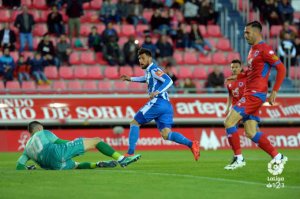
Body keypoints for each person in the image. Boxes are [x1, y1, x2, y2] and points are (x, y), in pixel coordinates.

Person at [225, 21, 288, 171]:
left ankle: (239, 158)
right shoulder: (253, 50)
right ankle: (278, 157)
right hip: (251, 92)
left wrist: (275, 91)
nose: (245, 35)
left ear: (257, 32)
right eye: (245, 32)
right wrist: (239, 76)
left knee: (229, 122)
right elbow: (252, 72)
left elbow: (281, 68)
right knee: (251, 132)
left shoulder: (265, 49)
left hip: (255, 94)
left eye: (247, 32)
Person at [120, 48, 200, 161]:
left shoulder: (154, 69)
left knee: (135, 122)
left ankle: (130, 153)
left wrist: (157, 91)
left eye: (143, 58)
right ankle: (191, 144)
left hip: (158, 102)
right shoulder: (149, 71)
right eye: (139, 59)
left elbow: (169, 80)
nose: (141, 61)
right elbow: (146, 79)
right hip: (166, 105)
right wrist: (131, 79)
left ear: (150, 58)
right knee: (166, 134)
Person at [16, 121, 141, 170]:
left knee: (75, 166)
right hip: (57, 152)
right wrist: (75, 144)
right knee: (96, 141)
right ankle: (122, 159)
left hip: (52, 166)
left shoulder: (26, 148)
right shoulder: (43, 132)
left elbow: (19, 165)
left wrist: (28, 168)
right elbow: (60, 143)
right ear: (39, 128)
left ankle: (97, 164)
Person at [224, 59, 246, 170]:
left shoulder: (246, 78)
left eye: (236, 67)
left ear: (241, 67)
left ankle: (239, 157)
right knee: (229, 130)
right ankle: (237, 156)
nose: (234, 69)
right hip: (234, 108)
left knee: (253, 133)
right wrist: (227, 108)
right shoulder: (229, 81)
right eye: (232, 67)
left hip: (245, 107)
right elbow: (230, 95)